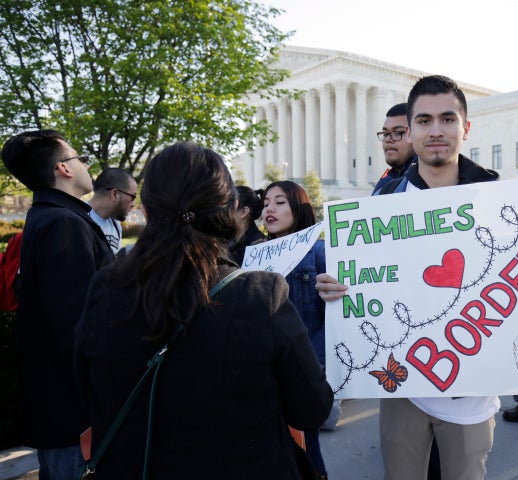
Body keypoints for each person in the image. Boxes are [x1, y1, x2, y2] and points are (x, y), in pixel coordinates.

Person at [316, 76, 518, 480]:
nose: (436, 130)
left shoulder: (510, 204)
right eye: (424, 120)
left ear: (466, 127)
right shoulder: (382, 206)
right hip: (403, 387)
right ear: (411, 129)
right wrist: (334, 288)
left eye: (447, 118)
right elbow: (370, 283)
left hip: (472, 394)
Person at [74, 142, 332, 479]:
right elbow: (312, 408)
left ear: (147, 212)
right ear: (229, 210)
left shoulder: (106, 286)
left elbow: (83, 388)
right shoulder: (259, 294)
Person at [1, 130, 114, 480]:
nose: (84, 165)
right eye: (80, 158)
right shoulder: (63, 223)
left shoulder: (51, 217)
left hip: (63, 408)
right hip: (74, 413)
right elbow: (77, 325)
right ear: (64, 169)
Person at [262, 180, 331, 479]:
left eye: (279, 202)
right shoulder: (255, 256)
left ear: (299, 207)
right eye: (265, 203)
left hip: (307, 365)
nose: (269, 209)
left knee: (307, 445)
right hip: (264, 367)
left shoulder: (319, 252)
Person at [88, 167, 137, 254]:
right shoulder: (76, 218)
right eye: (132, 197)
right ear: (114, 194)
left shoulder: (115, 226)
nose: (133, 205)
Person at [372, 103, 417, 194]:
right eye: (385, 134)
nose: (388, 139)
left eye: (397, 132)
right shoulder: (384, 183)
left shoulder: (429, 177)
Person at [228, 185, 266, 266]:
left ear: (244, 212)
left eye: (227, 205)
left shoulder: (260, 247)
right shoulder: (225, 240)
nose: (220, 211)